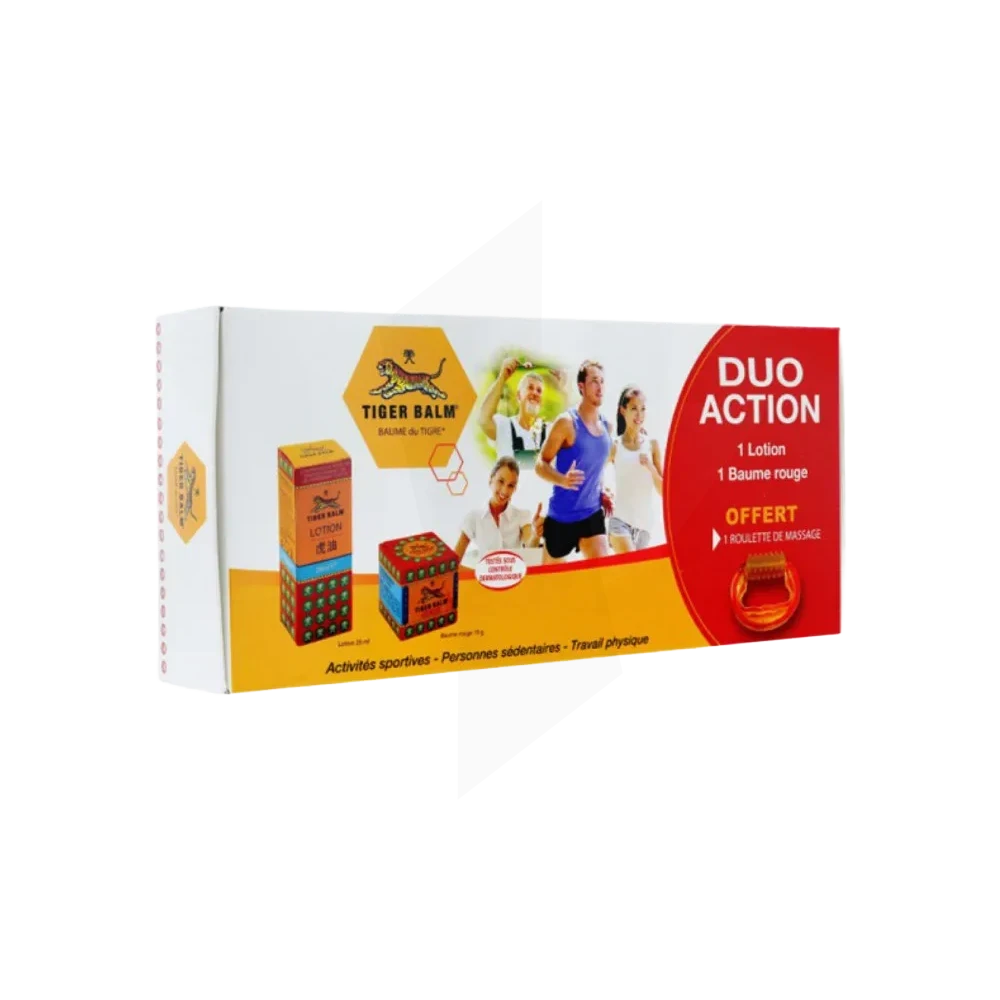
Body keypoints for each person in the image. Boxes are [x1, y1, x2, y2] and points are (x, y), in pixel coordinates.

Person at [534, 360, 615, 564]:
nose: (600, 387)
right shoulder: (567, 423)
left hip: (591, 514)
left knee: (603, 575)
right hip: (561, 517)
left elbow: (596, 468)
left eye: (602, 381)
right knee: (552, 581)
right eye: (594, 381)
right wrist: (562, 480)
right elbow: (540, 464)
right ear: (581, 386)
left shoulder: (607, 427)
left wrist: (601, 491)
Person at [478, 357, 567, 469]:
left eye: (539, 390)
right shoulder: (504, 426)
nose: (535, 393)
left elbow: (575, 437)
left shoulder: (550, 431)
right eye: (530, 388)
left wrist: (565, 389)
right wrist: (502, 377)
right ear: (519, 396)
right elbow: (483, 419)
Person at [454, 457, 546, 562]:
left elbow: (530, 546)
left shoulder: (521, 516)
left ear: (515, 489)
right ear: (491, 479)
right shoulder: (474, 518)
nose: (505, 490)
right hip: (485, 572)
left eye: (510, 485)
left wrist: (536, 534)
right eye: (501, 481)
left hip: (515, 572)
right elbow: (454, 560)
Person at [607, 386, 664, 552]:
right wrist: (603, 492)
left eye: (642, 409)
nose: (639, 415)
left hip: (644, 527)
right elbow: (594, 475)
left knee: (632, 570)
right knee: (629, 560)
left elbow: (664, 491)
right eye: (634, 409)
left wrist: (651, 468)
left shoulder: (652, 445)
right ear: (623, 410)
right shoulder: (614, 445)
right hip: (619, 522)